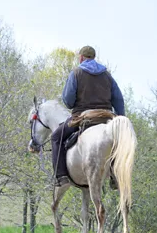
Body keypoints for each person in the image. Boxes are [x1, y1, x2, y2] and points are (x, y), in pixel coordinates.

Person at [51, 45, 126, 187]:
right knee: (118, 141)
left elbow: (68, 100)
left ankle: (60, 176)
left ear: (81, 58)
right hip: (106, 117)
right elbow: (118, 99)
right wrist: (120, 117)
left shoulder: (76, 73)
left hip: (83, 116)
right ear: (93, 58)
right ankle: (115, 175)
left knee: (56, 138)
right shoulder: (107, 75)